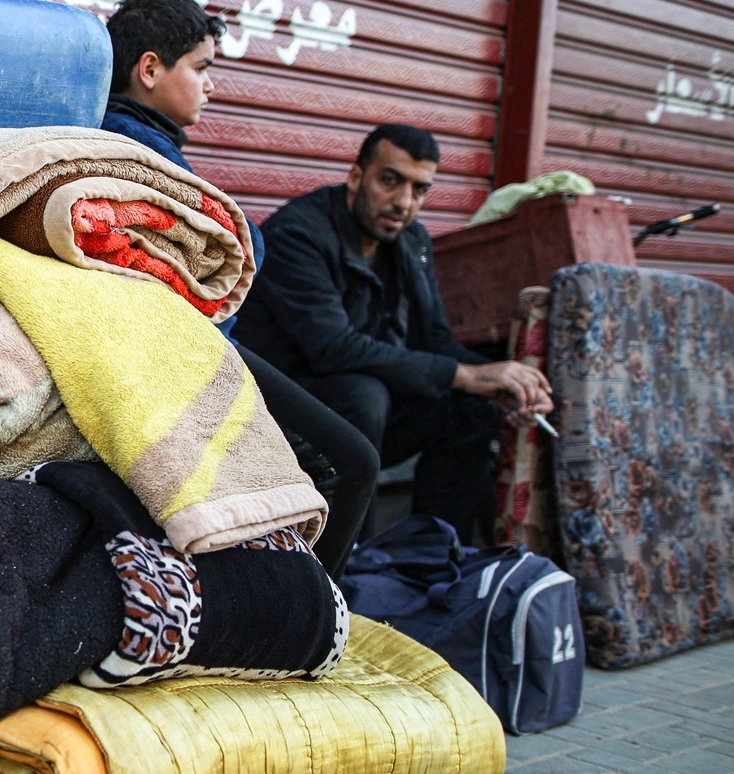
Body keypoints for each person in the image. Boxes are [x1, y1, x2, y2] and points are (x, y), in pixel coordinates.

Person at [101, 0, 378, 577]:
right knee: (349, 462)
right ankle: (307, 618)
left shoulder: (128, 138)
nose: (211, 86)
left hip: (174, 347)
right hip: (184, 353)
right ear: (150, 69)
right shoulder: (139, 148)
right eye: (201, 69)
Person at [234, 124, 551, 544]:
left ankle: (430, 558)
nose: (403, 202)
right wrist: (468, 375)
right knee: (364, 394)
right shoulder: (300, 234)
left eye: (419, 190)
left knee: (470, 407)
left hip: (360, 413)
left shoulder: (408, 240)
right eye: (390, 181)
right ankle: (351, 567)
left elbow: (434, 341)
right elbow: (333, 348)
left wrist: (503, 383)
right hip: (273, 416)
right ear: (355, 177)